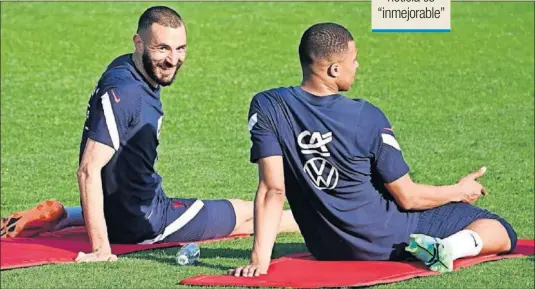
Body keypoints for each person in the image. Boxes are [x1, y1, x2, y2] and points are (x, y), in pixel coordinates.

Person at [0, 6, 300, 262]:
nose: (172, 60)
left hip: (121, 207)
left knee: (242, 211)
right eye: (162, 49)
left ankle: (65, 215)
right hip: (146, 221)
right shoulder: (126, 92)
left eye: (180, 48)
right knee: (247, 215)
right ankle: (329, 221)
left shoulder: (126, 69)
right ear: (139, 43)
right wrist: (101, 249)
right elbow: (88, 169)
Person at [229, 22, 517, 277]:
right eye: (353, 60)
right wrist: (459, 191)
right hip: (386, 241)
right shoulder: (366, 116)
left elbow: (272, 189)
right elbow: (408, 197)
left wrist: (259, 261)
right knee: (500, 229)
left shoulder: (267, 105)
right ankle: (447, 249)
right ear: (334, 69)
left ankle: (441, 246)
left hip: (326, 247)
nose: (357, 66)